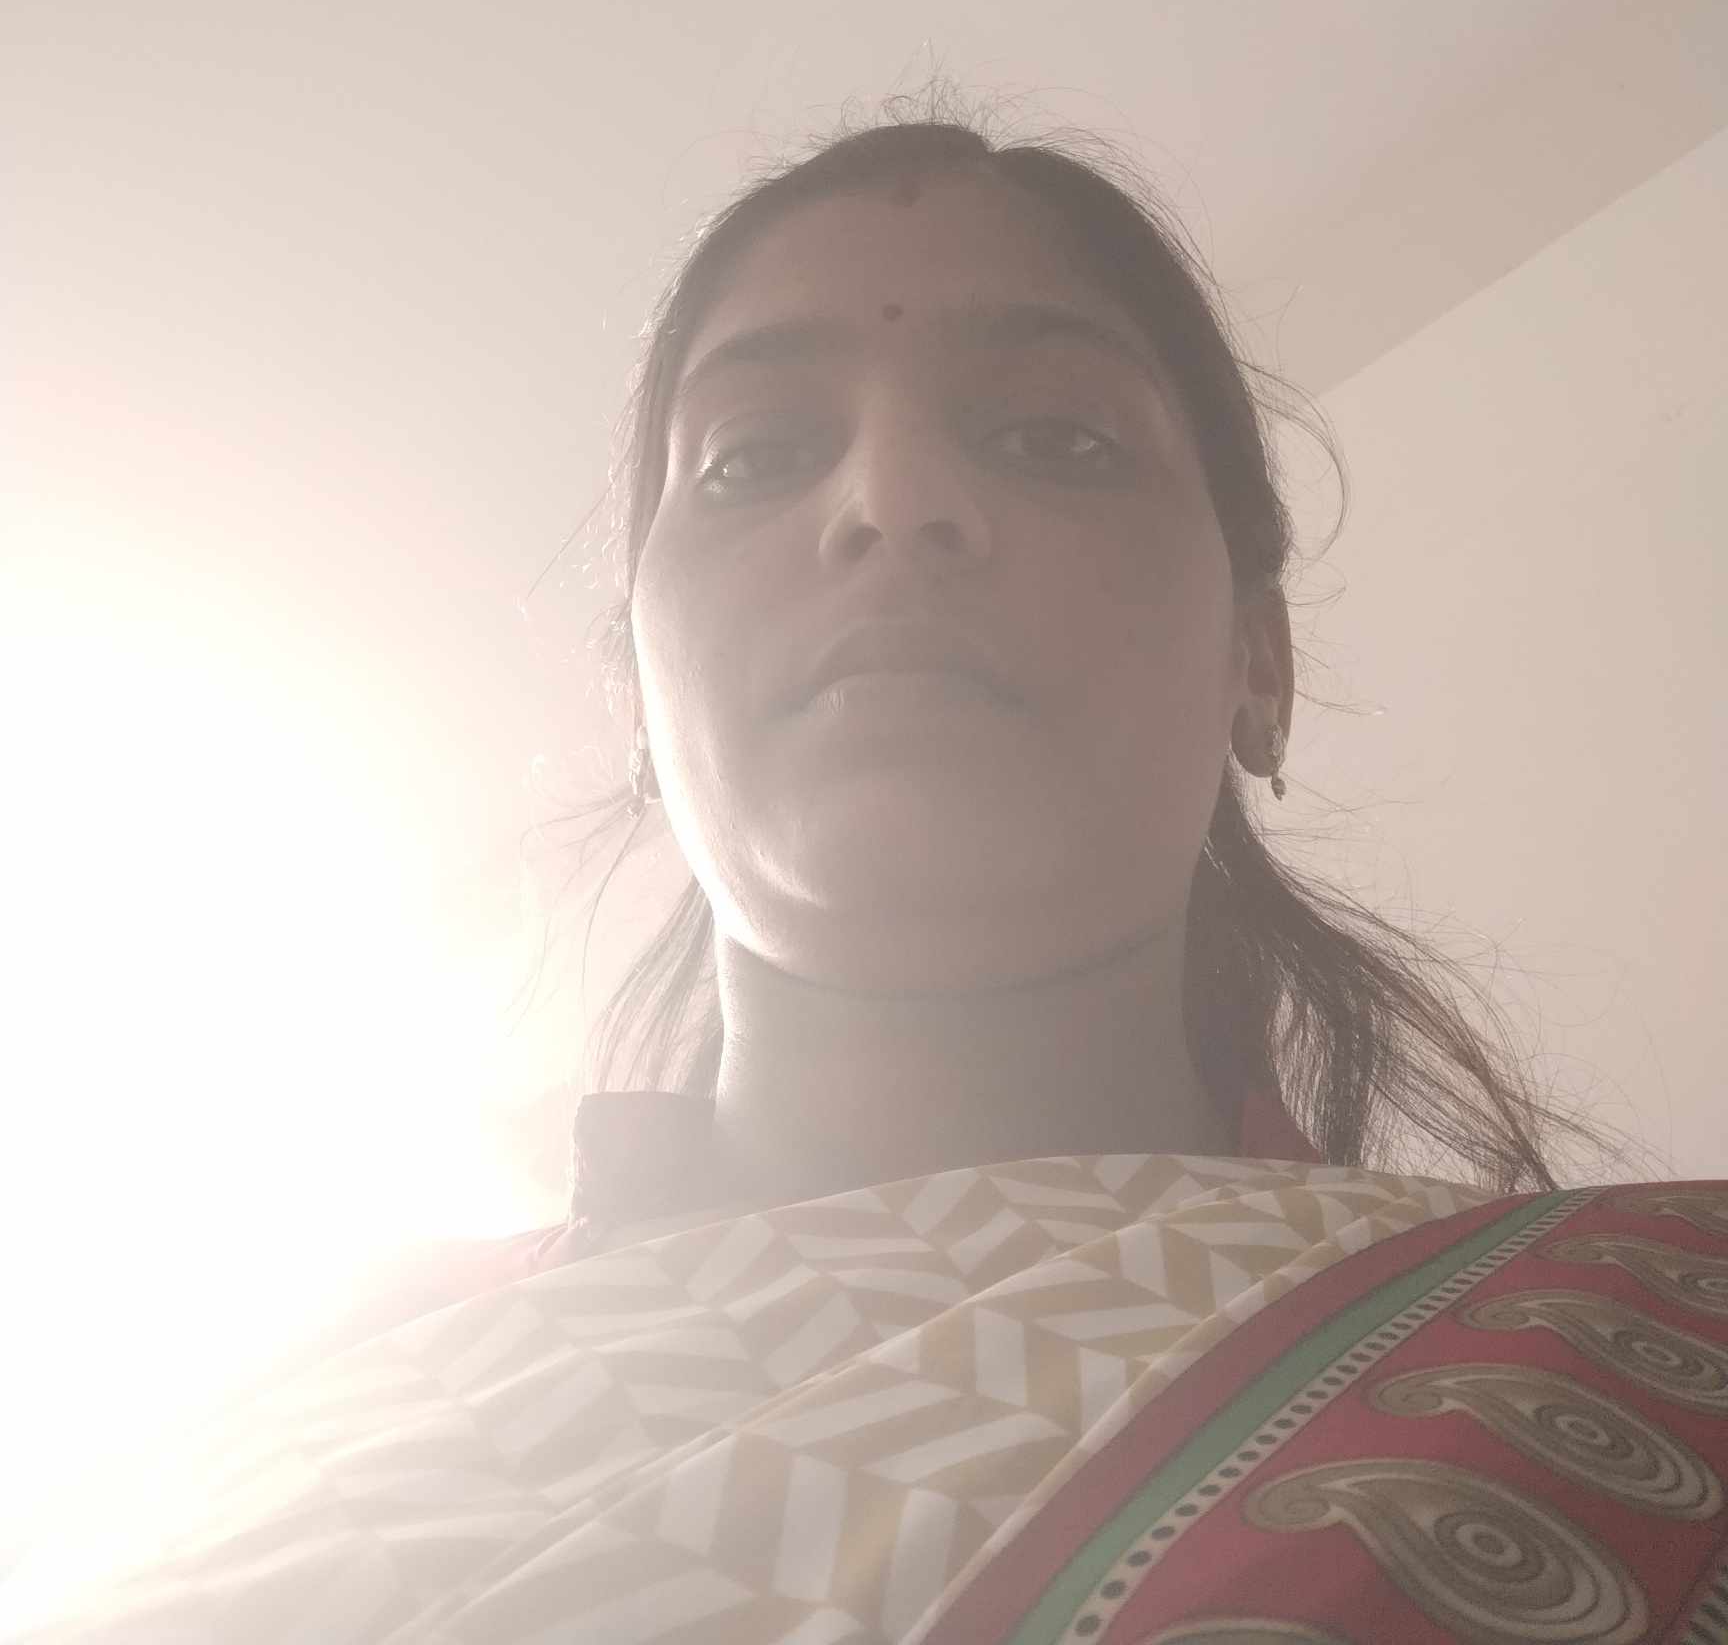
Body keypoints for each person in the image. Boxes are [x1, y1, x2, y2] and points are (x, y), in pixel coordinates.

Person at [10, 89, 1726, 1643]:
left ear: (1256, 666)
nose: (892, 501)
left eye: (1056, 438)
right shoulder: (273, 1387)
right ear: (637, 694)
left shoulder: (1646, 1335)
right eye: (754, 456)